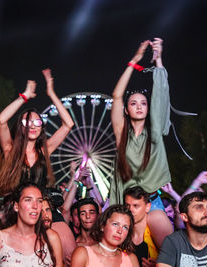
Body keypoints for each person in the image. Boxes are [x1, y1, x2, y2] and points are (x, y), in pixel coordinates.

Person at [0, 68, 74, 195]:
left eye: (37, 122)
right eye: (27, 122)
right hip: (17, 207)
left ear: (42, 127)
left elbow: (68, 124)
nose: (32, 127)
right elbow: (1, 120)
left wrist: (51, 94)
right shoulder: (10, 150)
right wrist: (25, 96)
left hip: (40, 206)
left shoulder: (45, 150)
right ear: (20, 127)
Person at [109, 38, 171, 207]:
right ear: (126, 110)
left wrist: (158, 60)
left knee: (167, 234)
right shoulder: (121, 133)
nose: (139, 107)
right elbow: (116, 96)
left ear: (149, 109)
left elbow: (160, 95)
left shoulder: (155, 132)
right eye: (133, 103)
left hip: (150, 201)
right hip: (125, 202)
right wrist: (134, 61)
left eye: (143, 103)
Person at [0, 182, 63, 267]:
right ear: (16, 206)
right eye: (28, 200)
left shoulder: (51, 238)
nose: (35, 206)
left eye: (39, 201)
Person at [71, 204, 139, 267]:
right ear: (102, 226)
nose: (119, 231)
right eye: (115, 224)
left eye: (125, 227)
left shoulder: (132, 259)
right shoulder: (83, 254)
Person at [124, 186, 169, 266]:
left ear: (147, 207)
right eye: (127, 205)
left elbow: (174, 258)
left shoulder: (156, 224)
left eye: (136, 206)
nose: (130, 210)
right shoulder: (122, 231)